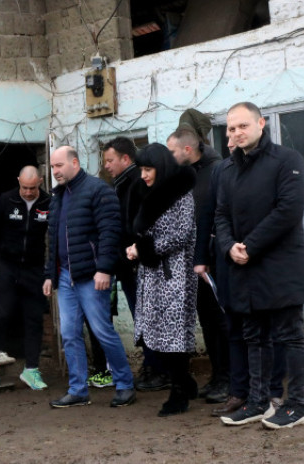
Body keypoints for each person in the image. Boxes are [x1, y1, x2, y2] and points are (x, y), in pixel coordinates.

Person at [215, 102, 304, 429]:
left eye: (242, 126)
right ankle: (258, 402)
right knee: (254, 336)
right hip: (244, 269)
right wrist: (229, 246)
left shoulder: (287, 161)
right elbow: (220, 215)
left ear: (260, 123)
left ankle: (298, 405)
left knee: (290, 335)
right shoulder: (228, 169)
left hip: (280, 265)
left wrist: (250, 246)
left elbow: (288, 210)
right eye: (231, 129)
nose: (236, 133)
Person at [43, 145, 135, 408]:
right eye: (52, 167)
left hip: (92, 275)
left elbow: (110, 232)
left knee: (102, 331)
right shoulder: (58, 196)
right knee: (69, 333)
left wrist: (104, 269)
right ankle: (78, 390)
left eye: (59, 166)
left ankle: (125, 384)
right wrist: (50, 274)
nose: (55, 171)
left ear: (75, 163)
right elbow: (53, 239)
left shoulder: (98, 190)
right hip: (65, 276)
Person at [126, 143, 198, 416]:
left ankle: (179, 392)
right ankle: (186, 382)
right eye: (141, 169)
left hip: (175, 273)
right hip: (151, 273)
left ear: (161, 166)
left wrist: (142, 249)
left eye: (148, 169)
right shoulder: (145, 191)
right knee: (153, 334)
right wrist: (135, 246)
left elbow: (181, 234)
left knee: (173, 335)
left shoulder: (181, 193)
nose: (143, 175)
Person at [166, 121, 231, 403]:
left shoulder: (216, 170)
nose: (169, 157)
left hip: (216, 258)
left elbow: (218, 214)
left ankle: (229, 378)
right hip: (196, 260)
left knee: (220, 319)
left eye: (172, 151)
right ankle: (218, 376)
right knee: (207, 319)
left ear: (188, 149)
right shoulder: (186, 174)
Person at [99, 136, 168, 393]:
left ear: (125, 159)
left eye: (110, 160)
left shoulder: (136, 184)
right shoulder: (120, 184)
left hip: (137, 263)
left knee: (147, 317)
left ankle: (158, 369)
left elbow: (140, 224)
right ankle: (153, 367)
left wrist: (135, 251)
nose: (106, 165)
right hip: (127, 263)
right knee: (142, 317)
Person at [0, 166, 51, 390]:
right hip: (7, 266)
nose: (28, 192)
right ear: (18, 181)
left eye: (33, 188)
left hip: (34, 269)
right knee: (1, 314)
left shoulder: (48, 202)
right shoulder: (6, 200)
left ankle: (31, 370)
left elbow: (54, 235)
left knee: (34, 318)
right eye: (24, 187)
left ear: (41, 182)